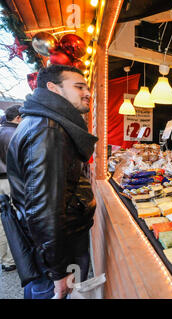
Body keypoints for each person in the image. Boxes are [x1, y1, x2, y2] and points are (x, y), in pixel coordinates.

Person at [6, 64, 98, 299]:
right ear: (52, 89)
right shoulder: (50, 130)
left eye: (87, 87)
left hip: (51, 247)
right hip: (57, 251)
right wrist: (58, 271)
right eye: (79, 87)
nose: (87, 93)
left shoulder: (44, 122)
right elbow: (44, 210)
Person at [0, 104, 22, 272]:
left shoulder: (2, 130)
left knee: (2, 221)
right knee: (13, 219)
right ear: (18, 118)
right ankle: (10, 259)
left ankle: (4, 258)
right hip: (8, 181)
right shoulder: (14, 134)